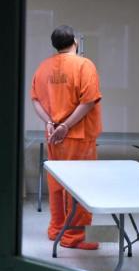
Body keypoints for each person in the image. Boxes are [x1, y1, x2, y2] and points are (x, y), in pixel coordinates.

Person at [30, 25, 103, 249]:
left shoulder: (43, 67)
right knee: (80, 185)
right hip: (78, 136)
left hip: (54, 137)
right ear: (75, 42)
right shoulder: (84, 65)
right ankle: (74, 237)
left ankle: (57, 229)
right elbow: (89, 101)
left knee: (57, 183)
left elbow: (35, 100)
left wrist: (51, 123)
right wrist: (66, 126)